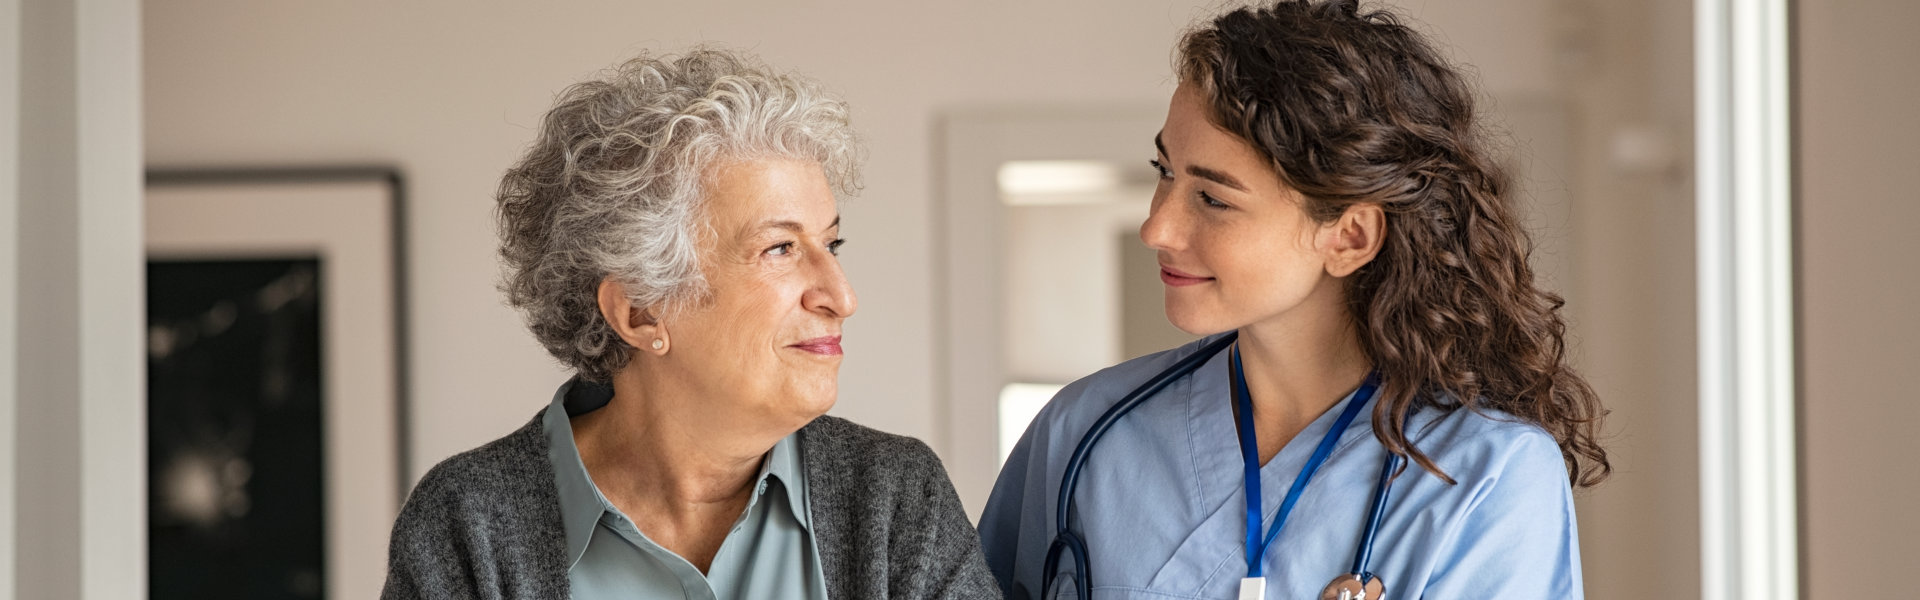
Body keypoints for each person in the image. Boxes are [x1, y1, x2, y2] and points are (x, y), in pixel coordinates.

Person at [979, 2, 1610, 598]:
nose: (1157, 228)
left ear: (1350, 236)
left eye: (1214, 199)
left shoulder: (1488, 474)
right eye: (1165, 172)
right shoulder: (1085, 432)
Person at [382, 48, 999, 600]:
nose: (841, 295)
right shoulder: (467, 524)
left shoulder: (894, 499)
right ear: (641, 310)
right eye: (780, 248)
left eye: (830, 245)